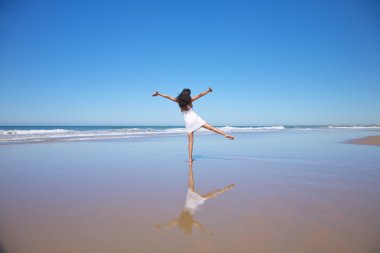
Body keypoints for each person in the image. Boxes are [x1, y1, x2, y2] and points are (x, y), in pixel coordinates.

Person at [152, 87, 234, 162]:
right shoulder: (190, 100)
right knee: (211, 127)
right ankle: (224, 134)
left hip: (188, 122)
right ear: (189, 94)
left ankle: (190, 159)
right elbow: (200, 95)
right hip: (195, 119)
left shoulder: (178, 101)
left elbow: (168, 96)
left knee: (190, 141)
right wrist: (208, 91)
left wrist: (159, 94)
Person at [155, 161, 235, 235]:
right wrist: (162, 226)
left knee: (212, 195)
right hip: (190, 200)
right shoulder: (180, 221)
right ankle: (190, 167)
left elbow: (200, 226)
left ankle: (226, 188)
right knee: (191, 180)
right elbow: (171, 224)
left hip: (195, 202)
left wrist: (207, 232)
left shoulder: (189, 221)